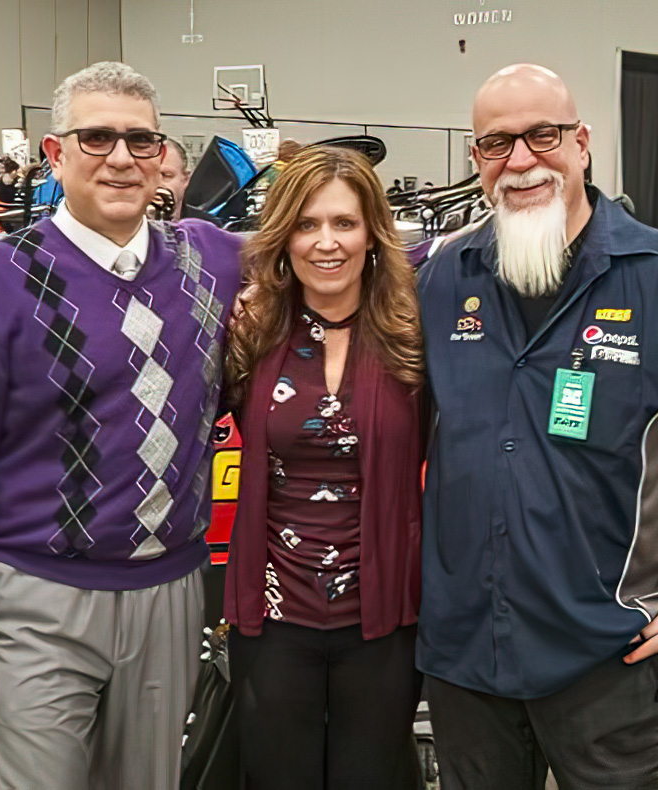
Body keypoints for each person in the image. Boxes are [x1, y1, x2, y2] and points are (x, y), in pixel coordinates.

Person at [414, 63, 658, 790]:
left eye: (541, 136)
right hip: (464, 653)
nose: (521, 161)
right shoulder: (444, 277)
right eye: (497, 144)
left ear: (581, 143)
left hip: (604, 653)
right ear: (476, 160)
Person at [0, 60, 242, 790]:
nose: (121, 158)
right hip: (35, 599)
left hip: (170, 596)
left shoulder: (211, 260)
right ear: (55, 155)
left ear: (162, 159)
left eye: (140, 141)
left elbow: (337, 252)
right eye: (97, 138)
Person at [223, 145, 424, 790]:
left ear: (373, 235)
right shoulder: (251, 329)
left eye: (344, 223)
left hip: (385, 612)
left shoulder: (414, 332)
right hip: (274, 610)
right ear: (284, 237)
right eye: (307, 225)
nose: (326, 243)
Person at [158, 136, 191, 220]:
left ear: (185, 179)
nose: (157, 183)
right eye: (148, 176)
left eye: (166, 175)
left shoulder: (206, 228)